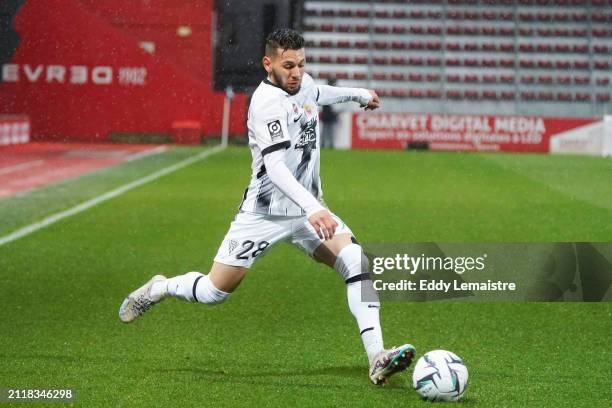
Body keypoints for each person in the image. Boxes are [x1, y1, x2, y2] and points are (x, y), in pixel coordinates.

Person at [118, 28, 415, 385]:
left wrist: (359, 94)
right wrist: (312, 208)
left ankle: (376, 356)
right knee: (215, 291)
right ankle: (160, 287)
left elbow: (320, 92)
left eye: (302, 64)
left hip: (307, 212)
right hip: (263, 214)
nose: (297, 72)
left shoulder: (302, 84)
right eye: (288, 65)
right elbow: (275, 169)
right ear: (268, 63)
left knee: (356, 262)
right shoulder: (265, 104)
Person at [320, 78, 339, 148]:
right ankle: (328, 144)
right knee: (329, 132)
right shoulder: (332, 91)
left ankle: (326, 144)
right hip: (329, 115)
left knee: (326, 131)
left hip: (327, 114)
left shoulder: (326, 91)